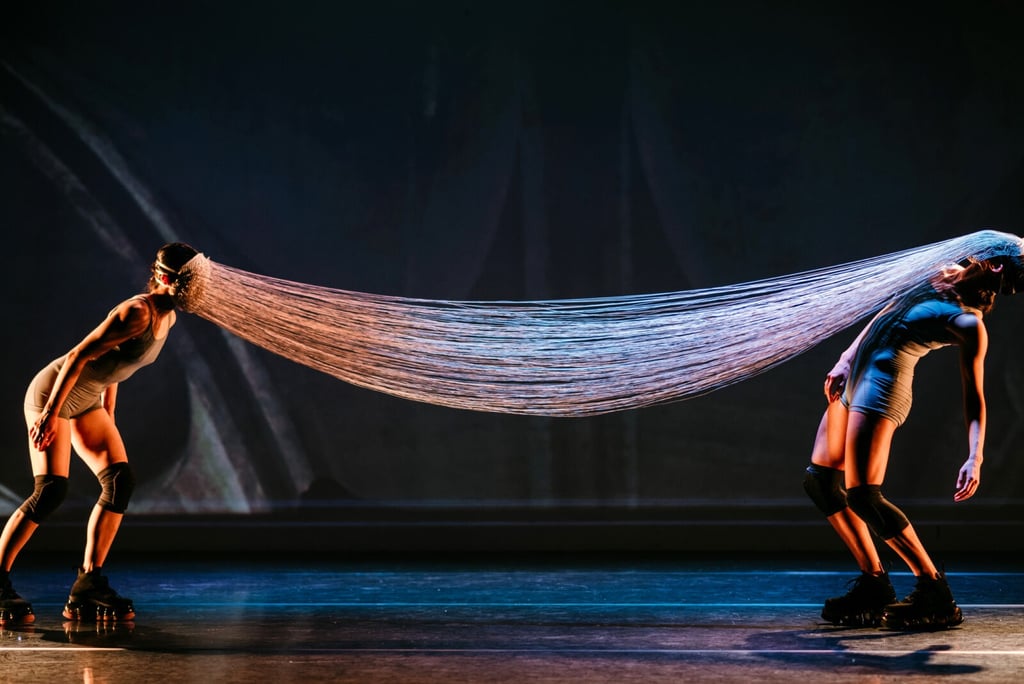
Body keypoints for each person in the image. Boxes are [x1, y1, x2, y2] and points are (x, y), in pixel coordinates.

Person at [803, 252, 1023, 630]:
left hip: (882, 391)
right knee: (820, 482)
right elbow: (886, 312)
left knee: (863, 496)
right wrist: (845, 358)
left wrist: (976, 456)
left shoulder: (969, 322)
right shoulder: (939, 274)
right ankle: (874, 584)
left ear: (996, 266)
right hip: (855, 378)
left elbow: (975, 397)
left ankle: (934, 590)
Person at [0, 242, 199, 624]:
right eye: (184, 281)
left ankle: (87, 584)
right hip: (52, 393)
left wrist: (109, 413)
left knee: (120, 482)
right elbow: (79, 356)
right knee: (51, 490)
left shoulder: (168, 318)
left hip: (88, 397)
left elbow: (117, 366)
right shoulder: (136, 312)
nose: (191, 290)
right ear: (163, 277)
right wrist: (50, 414)